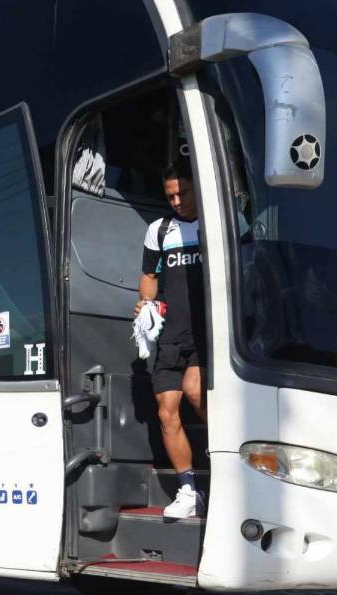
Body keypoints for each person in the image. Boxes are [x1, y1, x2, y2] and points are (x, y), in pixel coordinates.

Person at [134, 161, 207, 519]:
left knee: (195, 392)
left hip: (206, 335)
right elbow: (149, 275)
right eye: (171, 195)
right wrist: (145, 304)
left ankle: (231, 467)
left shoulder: (218, 223)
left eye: (183, 193)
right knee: (166, 413)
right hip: (170, 337)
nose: (177, 201)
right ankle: (188, 489)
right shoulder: (159, 231)